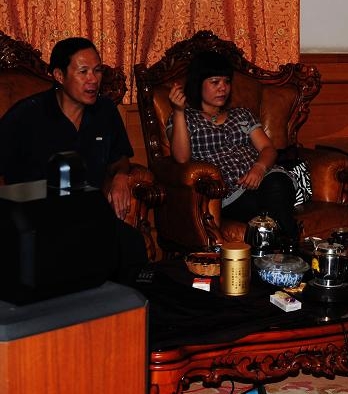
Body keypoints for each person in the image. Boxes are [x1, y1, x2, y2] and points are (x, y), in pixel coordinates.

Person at [0, 37, 146, 279]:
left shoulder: (105, 111)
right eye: (83, 71)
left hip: (89, 215)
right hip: (39, 219)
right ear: (59, 75)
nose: (93, 79)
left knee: (132, 245)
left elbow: (120, 158)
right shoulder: (26, 115)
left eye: (97, 70)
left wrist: (121, 176)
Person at [167, 50, 299, 242]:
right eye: (215, 82)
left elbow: (268, 149)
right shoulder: (186, 118)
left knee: (278, 184)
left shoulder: (241, 115)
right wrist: (179, 111)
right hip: (229, 194)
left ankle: (282, 246)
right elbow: (181, 158)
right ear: (198, 84)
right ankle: (290, 244)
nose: (223, 88)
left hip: (264, 178)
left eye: (227, 82)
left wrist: (259, 168)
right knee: (273, 199)